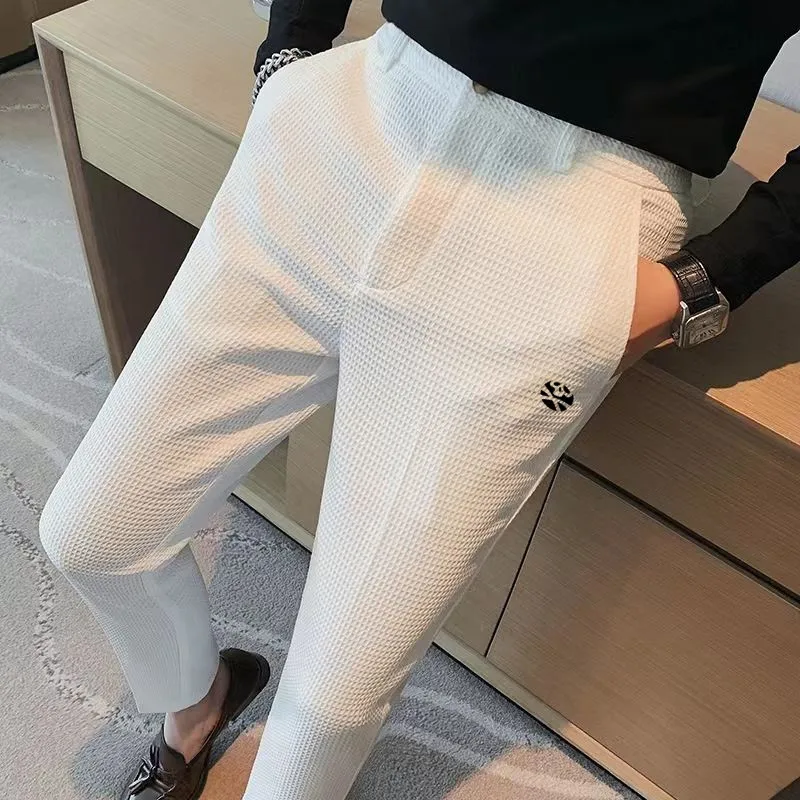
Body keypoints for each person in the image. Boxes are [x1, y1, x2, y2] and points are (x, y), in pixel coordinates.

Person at [38, 1, 799, 799]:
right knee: (92, 535)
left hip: (580, 214)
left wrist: (706, 281)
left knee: (329, 711)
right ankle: (196, 705)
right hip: (364, 108)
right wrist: (288, 53)